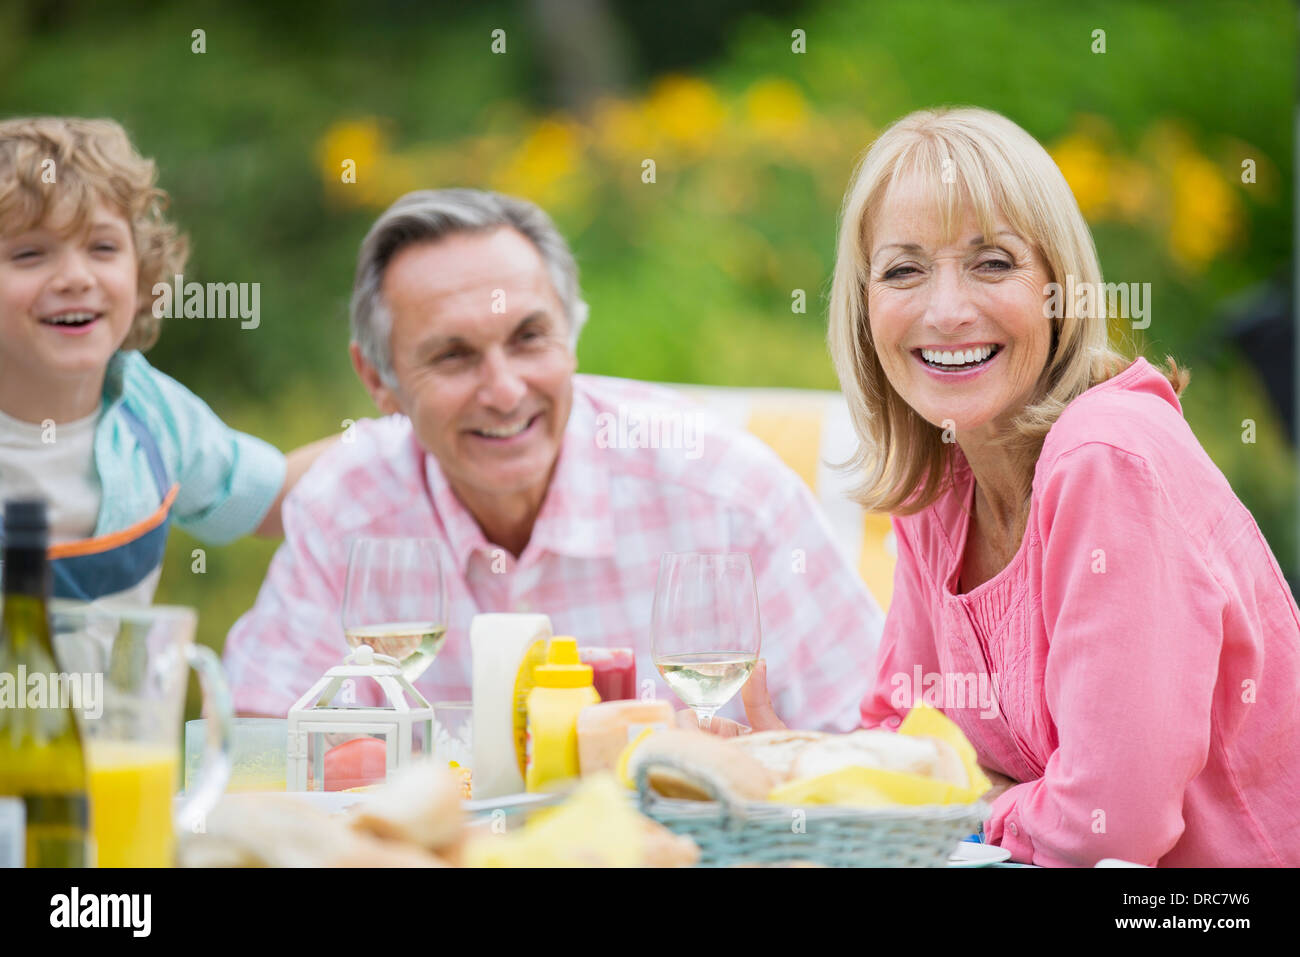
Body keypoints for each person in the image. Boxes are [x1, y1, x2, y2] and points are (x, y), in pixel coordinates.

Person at [715, 106, 1300, 867]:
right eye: (903, 269)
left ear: (1061, 290)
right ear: (863, 309)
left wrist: (977, 800)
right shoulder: (941, 475)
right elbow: (908, 732)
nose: (948, 309)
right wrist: (792, 770)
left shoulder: (1107, 461)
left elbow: (1103, 829)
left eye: (992, 262)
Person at [222, 188, 884, 730]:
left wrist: (774, 772)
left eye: (529, 338)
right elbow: (261, 746)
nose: (505, 390)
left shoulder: (725, 489)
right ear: (377, 380)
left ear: (571, 336)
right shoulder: (345, 506)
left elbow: (875, 742)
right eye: (453, 356)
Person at [0, 117, 334, 603]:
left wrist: (408, 424)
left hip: (123, 684)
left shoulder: (150, 410)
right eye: (30, 254)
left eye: (103, 248)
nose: (75, 277)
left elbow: (274, 497)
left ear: (140, 277)